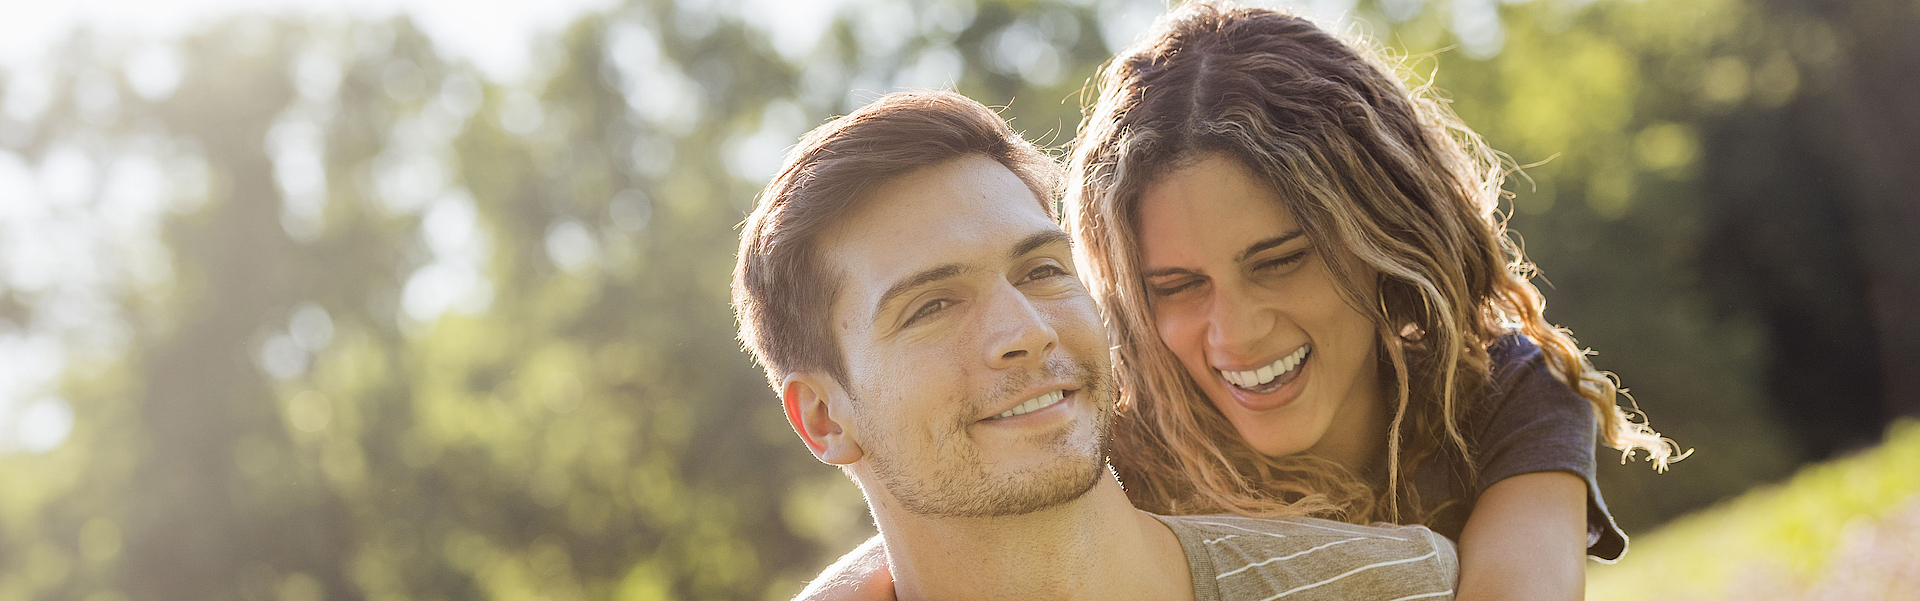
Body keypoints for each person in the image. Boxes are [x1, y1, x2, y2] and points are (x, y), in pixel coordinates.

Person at [1063, 3, 1687, 600]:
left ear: (1383, 233)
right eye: (1175, 286)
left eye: (1280, 261)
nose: (1235, 334)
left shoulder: (1505, 394)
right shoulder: (1103, 465)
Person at [734, 90, 1460, 600]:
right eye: (931, 305)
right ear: (824, 418)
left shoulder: (1415, 588)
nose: (1026, 330)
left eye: (1042, 270)